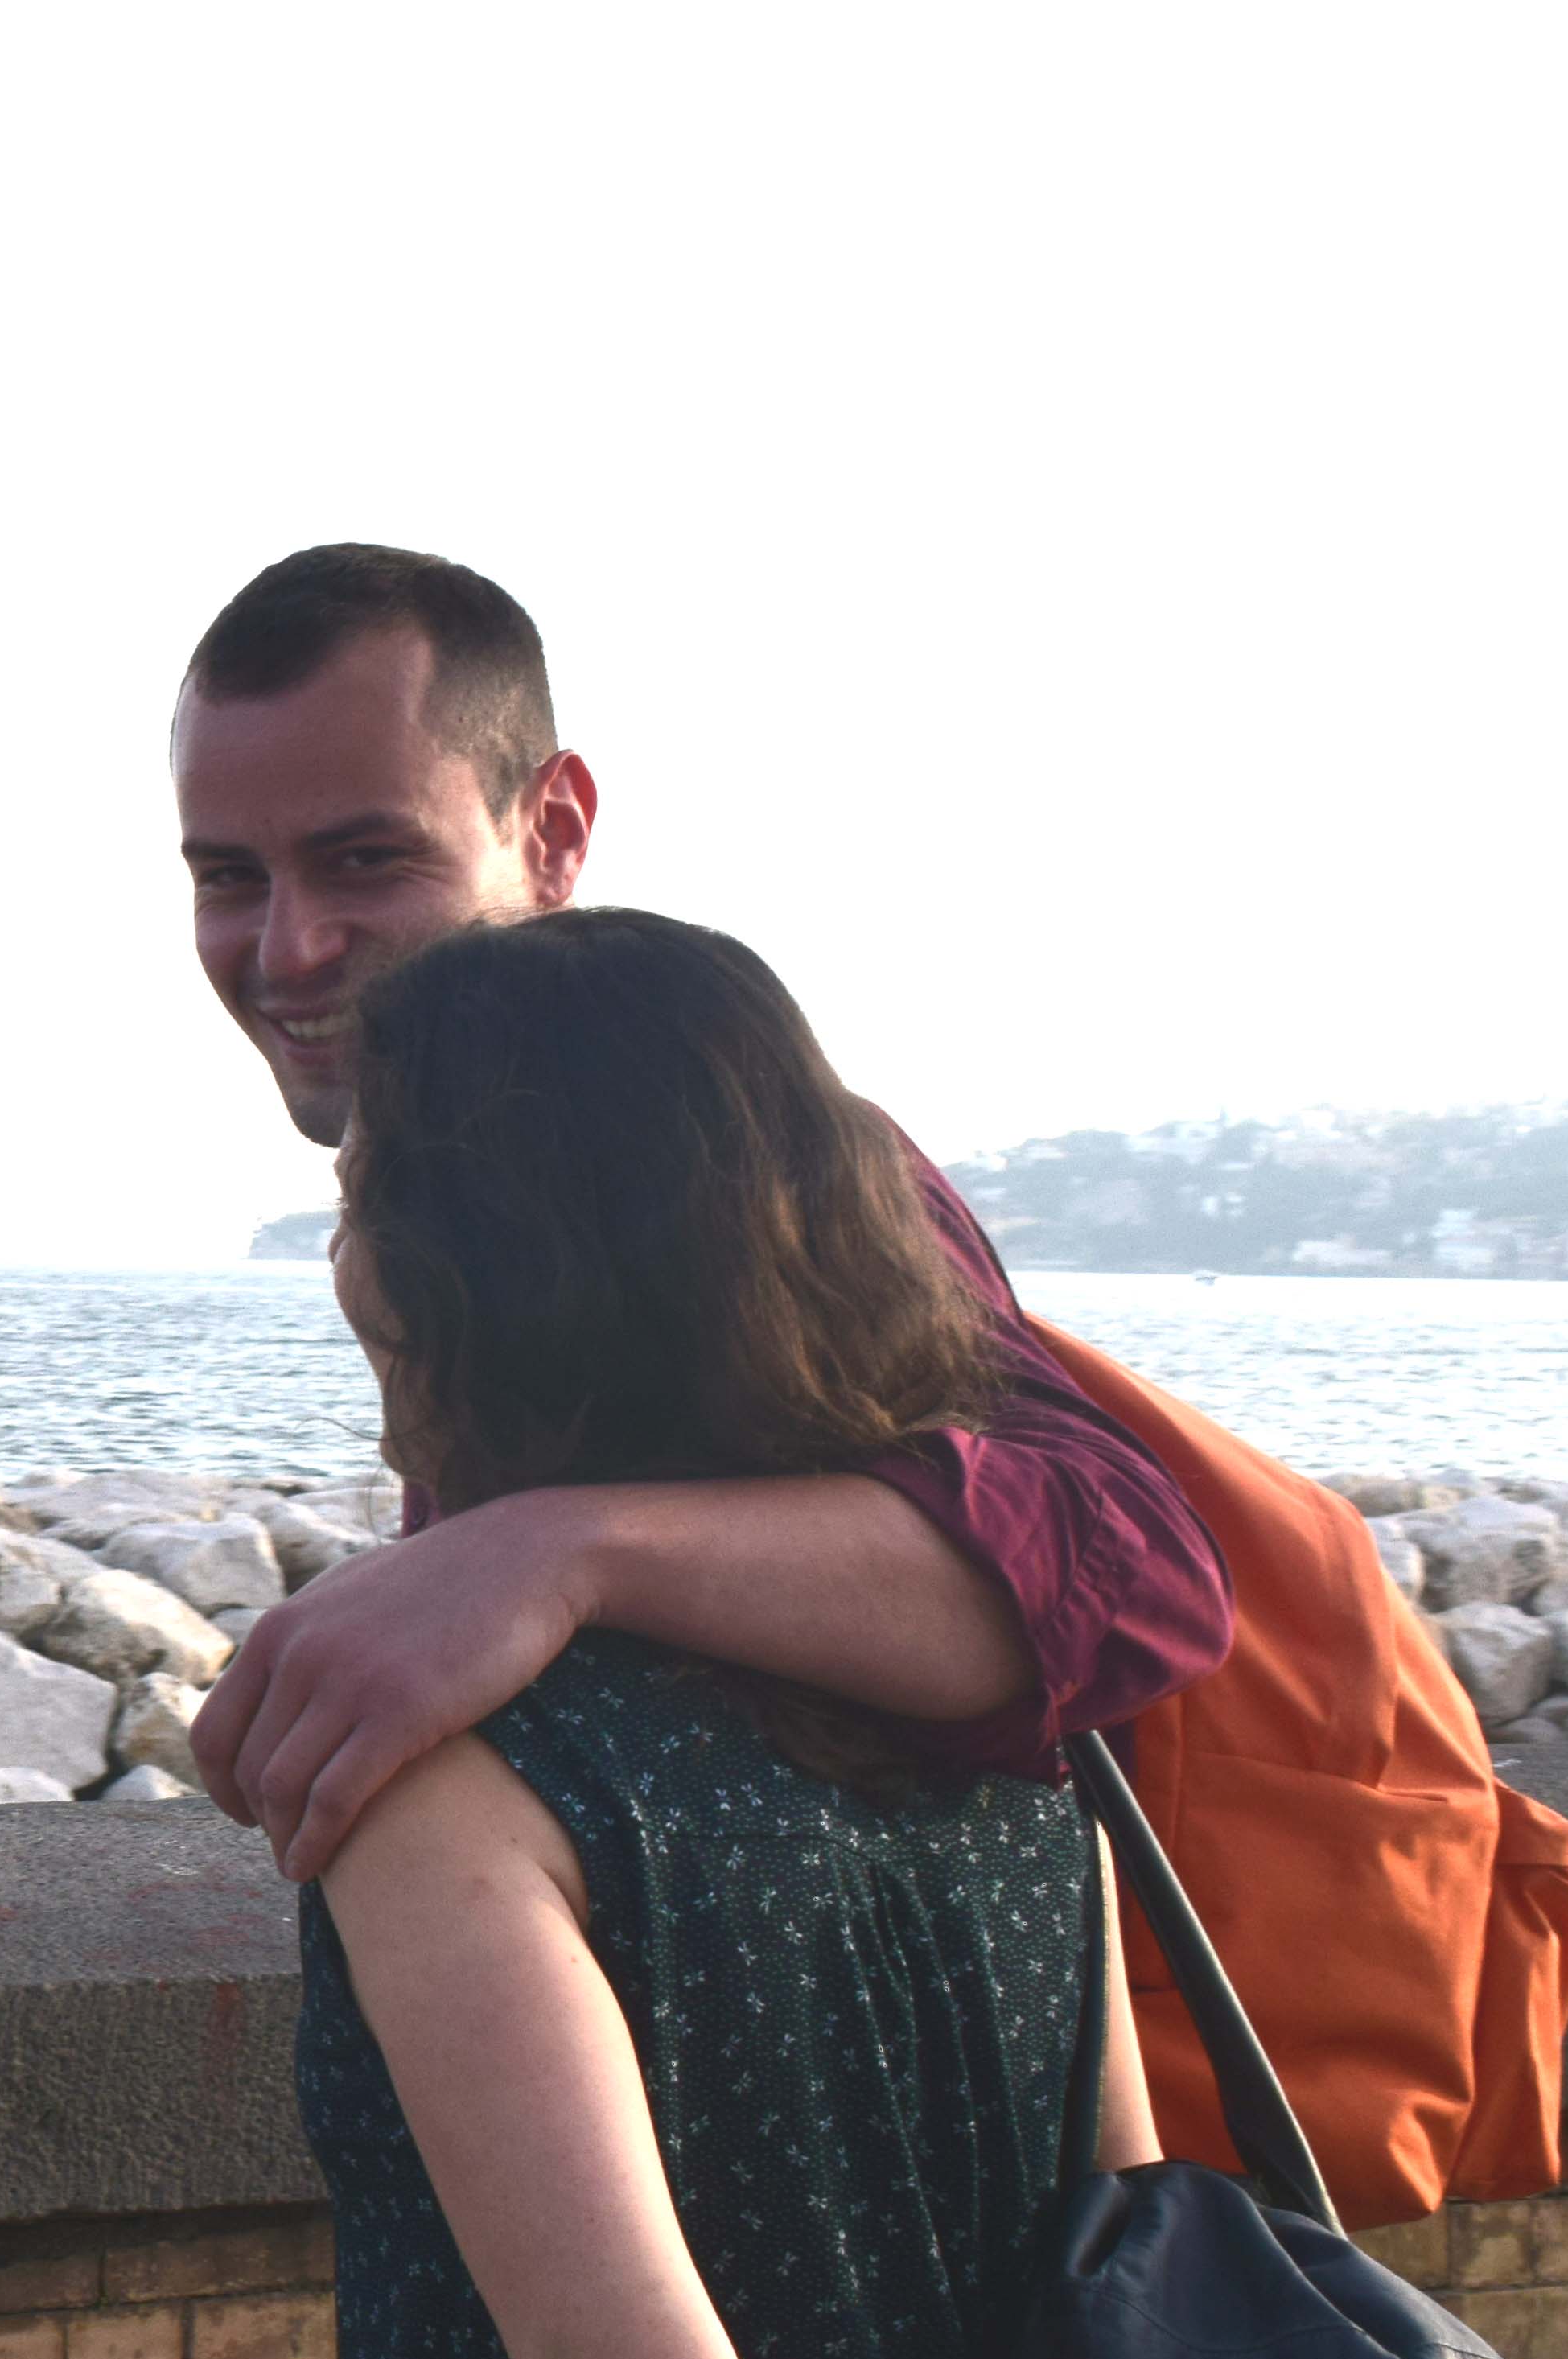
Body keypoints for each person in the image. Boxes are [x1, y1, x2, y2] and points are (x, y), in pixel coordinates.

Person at [302, 904, 1159, 2359]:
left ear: (456, 1269)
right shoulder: (1016, 1713)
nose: (346, 1256)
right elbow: (1131, 2256)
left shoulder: (460, 1778)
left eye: (368, 1194)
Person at [170, 544, 1228, 1873]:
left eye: (367, 859)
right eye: (229, 879)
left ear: (550, 832)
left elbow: (1138, 1573)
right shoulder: (473, 1207)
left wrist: (555, 1554)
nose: (287, 948)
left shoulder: (732, 1154)